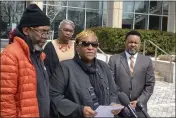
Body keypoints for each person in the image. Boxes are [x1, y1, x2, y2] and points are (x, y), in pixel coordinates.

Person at [50, 30, 123, 118]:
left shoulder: (103, 66)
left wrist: (113, 104)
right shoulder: (65, 68)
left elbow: (113, 92)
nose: (90, 47)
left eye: (94, 44)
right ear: (77, 47)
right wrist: (79, 110)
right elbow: (54, 95)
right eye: (85, 44)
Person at [0, 4, 50, 117]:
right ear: (26, 30)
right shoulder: (10, 55)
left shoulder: (39, 55)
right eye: (42, 31)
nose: (46, 36)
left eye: (48, 32)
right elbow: (5, 102)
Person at [108, 30, 155, 117]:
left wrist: (139, 101)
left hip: (139, 108)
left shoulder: (147, 61)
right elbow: (110, 83)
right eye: (130, 42)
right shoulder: (114, 59)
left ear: (140, 44)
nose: (133, 45)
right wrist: (118, 101)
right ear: (125, 42)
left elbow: (150, 84)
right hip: (119, 109)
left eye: (136, 43)